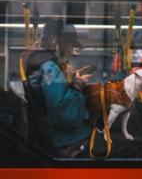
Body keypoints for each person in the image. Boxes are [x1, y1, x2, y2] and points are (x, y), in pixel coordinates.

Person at [24, 19, 92, 158]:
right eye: (70, 44)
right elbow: (68, 117)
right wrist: (78, 85)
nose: (72, 50)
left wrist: (71, 80)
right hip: (68, 141)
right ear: (57, 42)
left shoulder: (45, 64)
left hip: (63, 137)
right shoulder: (50, 68)